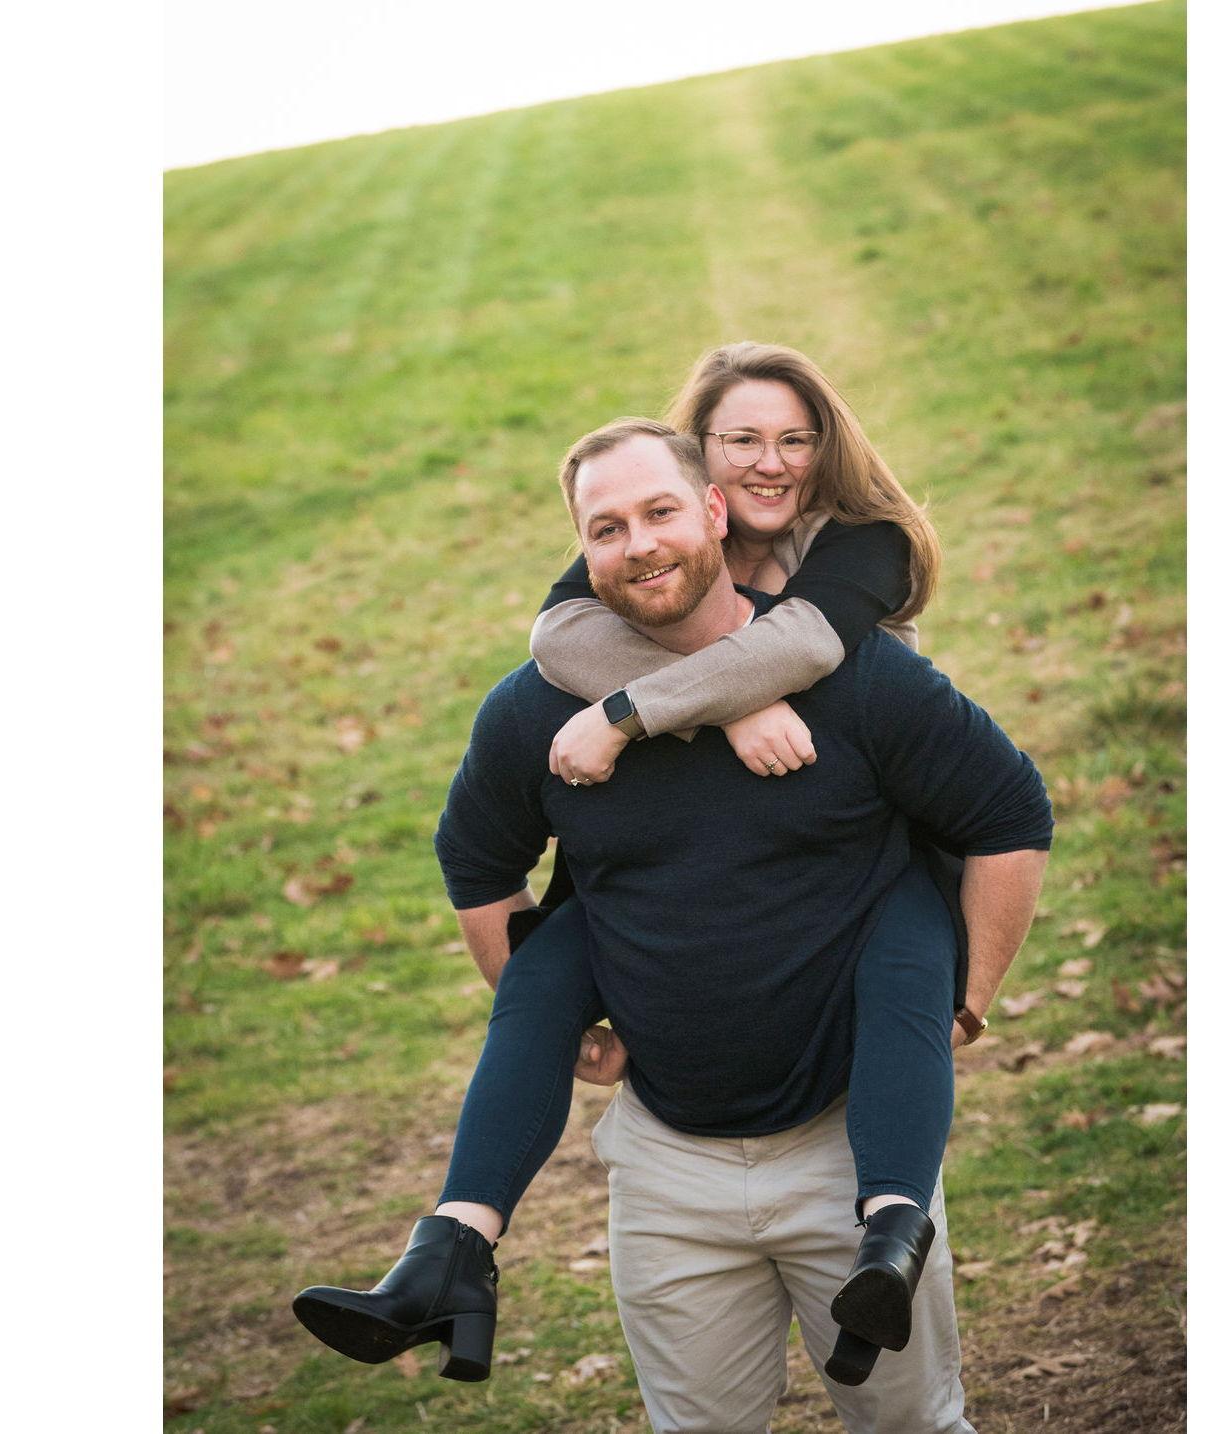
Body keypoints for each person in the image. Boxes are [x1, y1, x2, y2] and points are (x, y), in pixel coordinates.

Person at [295, 412, 1052, 1431]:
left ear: (714, 511)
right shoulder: (535, 710)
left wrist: (968, 998)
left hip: (848, 1145)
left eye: (660, 512)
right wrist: (560, 1023)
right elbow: (476, 861)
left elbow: (1010, 815)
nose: (639, 544)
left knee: (912, 1426)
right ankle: (450, 1253)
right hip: (667, 1166)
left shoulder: (859, 677)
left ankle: (890, 1227)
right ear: (581, 553)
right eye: (606, 529)